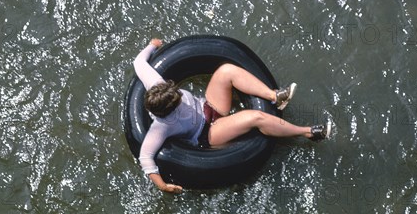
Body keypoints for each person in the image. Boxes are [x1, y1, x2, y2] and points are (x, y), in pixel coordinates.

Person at [134, 38, 331, 193]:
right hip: (208, 132)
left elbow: (139, 63)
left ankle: (275, 96)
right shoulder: (161, 127)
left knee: (225, 71)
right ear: (169, 108)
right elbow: (146, 158)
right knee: (255, 117)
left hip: (208, 106)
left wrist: (152, 45)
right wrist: (162, 185)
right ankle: (307, 132)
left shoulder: (157, 85)